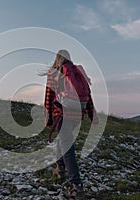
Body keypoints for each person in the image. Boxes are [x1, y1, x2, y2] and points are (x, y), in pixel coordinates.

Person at [44, 49, 98, 199]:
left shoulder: (54, 72)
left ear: (57, 59)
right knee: (63, 140)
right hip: (77, 116)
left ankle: (77, 185)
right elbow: (87, 94)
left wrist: (48, 118)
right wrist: (92, 114)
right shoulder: (78, 72)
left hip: (60, 114)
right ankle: (59, 168)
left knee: (67, 145)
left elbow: (49, 97)